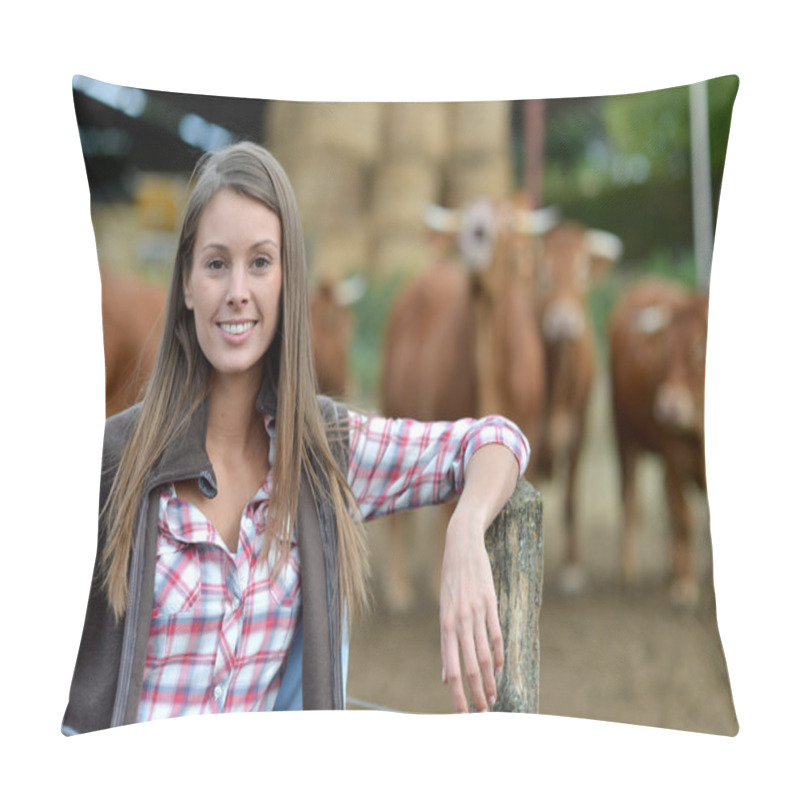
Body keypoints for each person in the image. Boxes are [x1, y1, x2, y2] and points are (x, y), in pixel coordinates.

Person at [62, 141, 530, 734]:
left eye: (260, 262)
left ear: (289, 283)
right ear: (185, 285)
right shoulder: (109, 464)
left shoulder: (324, 453)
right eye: (215, 264)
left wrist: (465, 533)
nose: (238, 290)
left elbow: (496, 438)